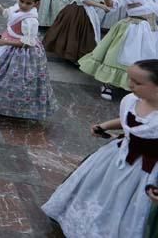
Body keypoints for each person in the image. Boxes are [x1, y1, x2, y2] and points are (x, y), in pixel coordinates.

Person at [41, 60, 158, 238]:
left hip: (145, 171)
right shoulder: (132, 100)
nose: (130, 84)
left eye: (138, 82)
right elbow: (127, 118)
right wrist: (105, 126)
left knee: (127, 201)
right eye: (130, 79)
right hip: (117, 157)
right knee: (101, 191)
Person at [79, 0, 158, 100]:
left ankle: (135, 84)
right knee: (121, 56)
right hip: (132, 30)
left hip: (151, 32)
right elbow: (112, 4)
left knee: (145, 58)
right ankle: (108, 83)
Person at [43, 0, 109, 63]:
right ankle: (75, 55)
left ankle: (69, 53)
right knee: (79, 33)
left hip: (76, 9)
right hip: (80, 10)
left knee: (71, 32)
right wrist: (102, 6)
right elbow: (85, 0)